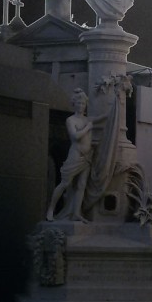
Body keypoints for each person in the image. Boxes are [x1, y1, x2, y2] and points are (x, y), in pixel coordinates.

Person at [45, 89, 94, 222]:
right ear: (74, 104)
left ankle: (76, 213)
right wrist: (87, 128)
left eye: (83, 103)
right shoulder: (70, 120)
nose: (81, 106)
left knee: (82, 184)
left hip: (87, 156)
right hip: (75, 154)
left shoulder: (87, 119)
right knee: (65, 182)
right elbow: (75, 136)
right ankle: (51, 209)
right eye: (78, 103)